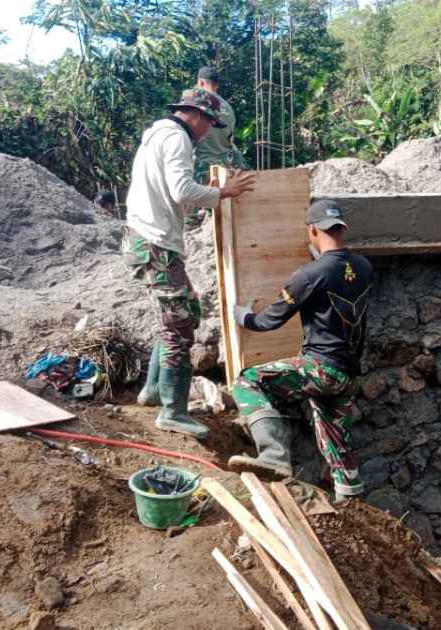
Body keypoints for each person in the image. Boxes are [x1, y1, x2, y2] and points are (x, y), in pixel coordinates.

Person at [125, 88, 255, 437]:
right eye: (209, 123)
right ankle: (173, 411)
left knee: (184, 312)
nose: (208, 131)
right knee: (180, 323)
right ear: (196, 116)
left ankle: (154, 390)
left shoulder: (158, 134)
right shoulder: (177, 140)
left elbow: (175, 188)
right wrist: (224, 192)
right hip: (155, 243)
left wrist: (207, 188)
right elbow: (182, 191)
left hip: (146, 238)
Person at [228, 200, 375, 500]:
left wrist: (244, 316)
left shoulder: (309, 275)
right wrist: (318, 263)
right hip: (349, 375)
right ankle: (350, 498)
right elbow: (339, 277)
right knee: (334, 436)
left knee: (247, 382)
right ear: (341, 229)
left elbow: (270, 320)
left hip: (320, 369)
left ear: (312, 230)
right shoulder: (364, 267)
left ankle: (273, 458)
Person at [191, 66, 244, 182]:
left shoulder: (196, 104)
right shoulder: (229, 109)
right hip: (223, 171)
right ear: (217, 85)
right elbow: (230, 141)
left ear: (200, 82)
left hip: (201, 170)